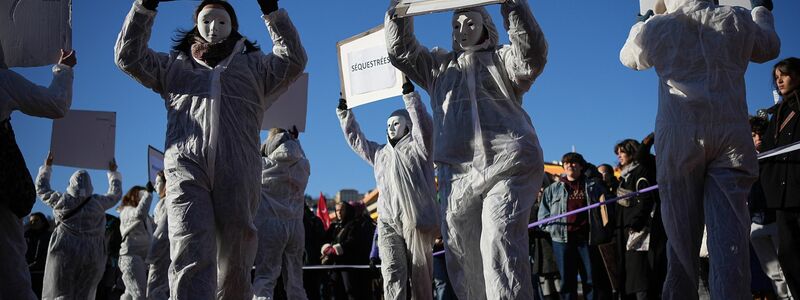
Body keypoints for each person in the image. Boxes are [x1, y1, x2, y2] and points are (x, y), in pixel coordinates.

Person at [114, 0, 307, 297]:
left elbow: (293, 59)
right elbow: (129, 57)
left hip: (239, 169)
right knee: (189, 249)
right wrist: (144, 8)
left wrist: (272, 12)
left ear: (233, 26)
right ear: (195, 26)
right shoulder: (173, 66)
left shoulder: (256, 66)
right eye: (206, 21)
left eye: (221, 21)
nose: (213, 28)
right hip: (186, 168)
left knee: (237, 255)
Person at [385, 0, 547, 297]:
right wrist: (400, 9)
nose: (462, 30)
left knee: (499, 242)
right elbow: (401, 52)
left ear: (486, 27)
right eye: (456, 25)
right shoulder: (438, 67)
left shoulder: (503, 60)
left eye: (470, 23)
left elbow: (531, 58)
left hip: (508, 164)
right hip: (456, 175)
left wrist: (513, 6)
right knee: (462, 256)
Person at [619, 0, 780, 298]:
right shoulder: (737, 18)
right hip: (730, 130)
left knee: (680, 243)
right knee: (730, 240)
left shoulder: (659, 26)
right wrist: (761, 9)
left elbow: (629, 58)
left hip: (679, 135)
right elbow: (768, 46)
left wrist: (641, 22)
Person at [336, 78, 439, 300]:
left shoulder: (419, 149)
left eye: (397, 123)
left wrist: (411, 99)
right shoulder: (380, 154)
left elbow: (425, 128)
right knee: (392, 272)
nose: (391, 128)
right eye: (389, 124)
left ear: (408, 125)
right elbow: (358, 142)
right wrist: (345, 115)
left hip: (416, 221)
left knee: (421, 279)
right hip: (388, 221)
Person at [0, 44, 75, 300]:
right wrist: (64, 69)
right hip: (4, 189)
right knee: (10, 270)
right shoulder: (3, 80)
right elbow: (55, 104)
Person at [36, 153, 123, 300]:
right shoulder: (97, 203)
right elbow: (115, 194)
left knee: (61, 292)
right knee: (84, 294)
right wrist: (112, 173)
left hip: (64, 252)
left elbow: (41, 189)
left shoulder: (62, 201)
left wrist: (47, 167)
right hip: (92, 255)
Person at [538, 153, 612, 300]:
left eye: (573, 163)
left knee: (590, 279)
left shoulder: (592, 186)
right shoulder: (553, 189)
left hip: (586, 238)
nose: (569, 166)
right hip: (562, 240)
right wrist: (553, 229)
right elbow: (542, 218)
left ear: (581, 166)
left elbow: (607, 201)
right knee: (567, 280)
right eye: (566, 163)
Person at [252, 128, 311, 300]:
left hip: (270, 226)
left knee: (265, 278)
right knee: (295, 282)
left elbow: (250, 155)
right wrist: (296, 141)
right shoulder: (303, 166)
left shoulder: (263, 166)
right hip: (296, 227)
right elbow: (303, 156)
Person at [760, 57, 800, 297]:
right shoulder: (777, 114)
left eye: (784, 74)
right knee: (788, 255)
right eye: (776, 77)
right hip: (782, 198)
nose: (779, 80)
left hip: (798, 187)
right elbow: (766, 152)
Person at [613, 136, 667, 299]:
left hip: (641, 232)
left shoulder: (642, 171)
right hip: (626, 233)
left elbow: (646, 199)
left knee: (642, 276)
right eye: (617, 153)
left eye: (622, 152)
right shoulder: (623, 178)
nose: (619, 156)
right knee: (630, 277)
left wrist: (636, 223)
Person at [322, 201, 376, 300]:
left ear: (347, 211)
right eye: (337, 210)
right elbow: (325, 240)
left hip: (349, 265)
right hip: (335, 265)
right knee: (336, 293)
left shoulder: (354, 225)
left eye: (341, 210)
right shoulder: (334, 226)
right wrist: (325, 248)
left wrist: (335, 249)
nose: (339, 212)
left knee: (351, 292)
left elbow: (352, 242)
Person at [118, 184, 155, 300]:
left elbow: (158, 229)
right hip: (131, 257)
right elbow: (139, 213)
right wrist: (148, 194)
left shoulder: (147, 219)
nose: (143, 197)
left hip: (141, 260)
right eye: (141, 195)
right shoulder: (126, 211)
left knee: (130, 294)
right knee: (139, 295)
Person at [146, 171, 169, 300]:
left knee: (155, 291)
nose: (155, 186)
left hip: (161, 255)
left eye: (158, 182)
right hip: (163, 254)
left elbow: (162, 231)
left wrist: (151, 255)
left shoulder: (165, 203)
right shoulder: (162, 204)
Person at [25, 212, 52, 298]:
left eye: (36, 220)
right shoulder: (25, 236)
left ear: (43, 222)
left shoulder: (49, 236)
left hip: (44, 275)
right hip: (26, 275)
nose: (33, 223)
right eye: (31, 221)